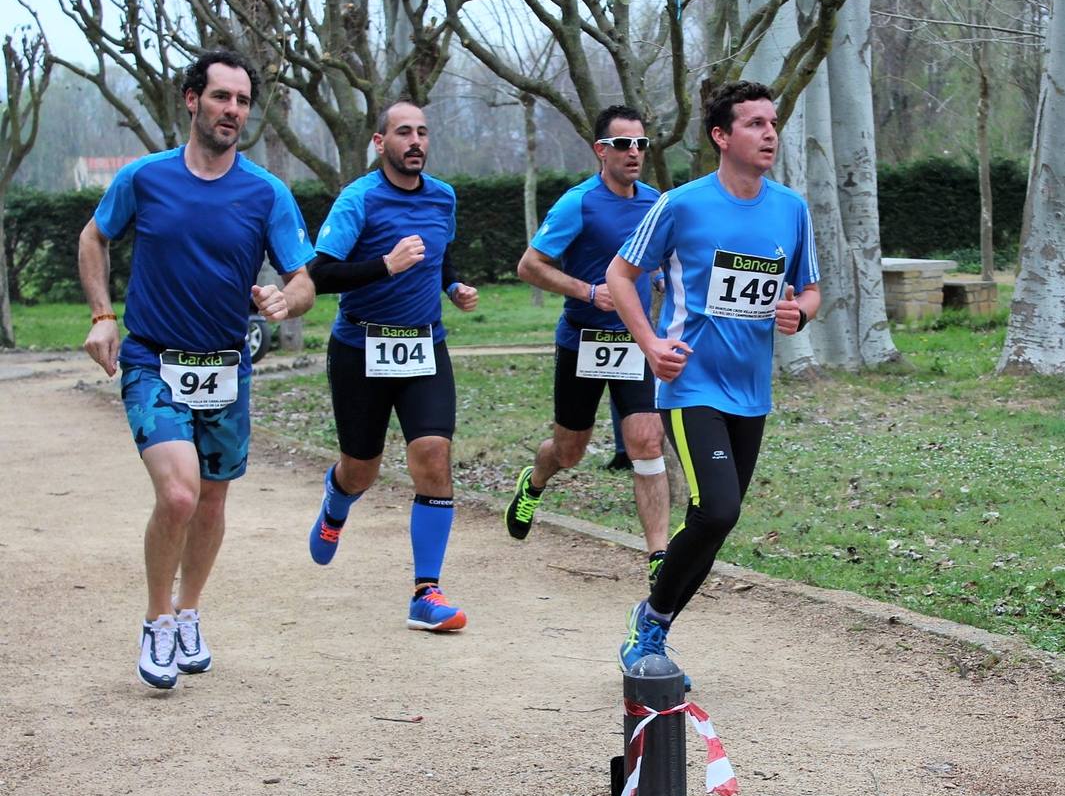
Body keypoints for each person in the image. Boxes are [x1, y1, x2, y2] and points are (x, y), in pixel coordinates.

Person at [79, 49, 316, 690]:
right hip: (153, 358)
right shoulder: (146, 178)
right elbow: (94, 236)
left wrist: (281, 298)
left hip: (225, 366)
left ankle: (189, 613)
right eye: (221, 97)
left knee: (211, 502)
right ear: (192, 100)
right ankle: (157, 621)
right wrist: (103, 315)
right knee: (179, 492)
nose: (232, 111)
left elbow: (303, 281)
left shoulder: (266, 193)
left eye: (242, 101)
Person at [606, 80, 821, 685]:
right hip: (690, 384)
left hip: (751, 392)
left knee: (716, 517)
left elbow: (811, 290)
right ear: (721, 136)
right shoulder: (680, 205)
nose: (770, 133)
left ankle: (657, 610)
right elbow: (620, 277)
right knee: (718, 508)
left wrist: (800, 311)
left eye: (773, 122)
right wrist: (650, 344)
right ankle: (648, 627)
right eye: (754, 123)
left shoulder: (790, 209)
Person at [306, 100, 479, 632]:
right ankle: (338, 501)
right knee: (362, 470)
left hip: (424, 346)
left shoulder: (443, 197)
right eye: (404, 132)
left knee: (433, 454)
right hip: (360, 348)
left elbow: (439, 253)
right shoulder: (359, 198)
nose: (416, 141)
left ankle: (426, 592)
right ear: (381, 143)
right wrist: (386, 264)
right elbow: (319, 274)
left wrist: (452, 285)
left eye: (423, 132)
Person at [505, 105, 670, 589]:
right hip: (583, 341)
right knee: (570, 450)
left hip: (635, 340)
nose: (634, 152)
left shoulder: (657, 203)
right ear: (602, 150)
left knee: (646, 440)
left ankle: (659, 556)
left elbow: (655, 257)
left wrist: (656, 275)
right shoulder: (578, 203)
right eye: (624, 144)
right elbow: (529, 265)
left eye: (641, 143)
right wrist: (587, 291)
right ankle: (533, 483)